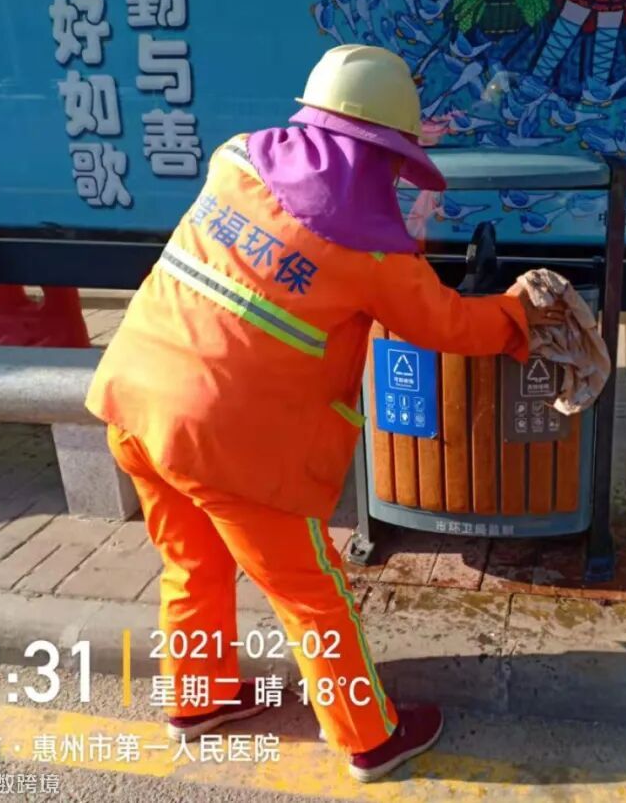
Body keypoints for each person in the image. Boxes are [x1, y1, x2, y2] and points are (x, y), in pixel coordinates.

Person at [85, 44, 561, 783]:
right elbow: (446, 325)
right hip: (226, 444)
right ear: (383, 153)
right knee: (313, 593)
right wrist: (521, 314)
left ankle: (196, 698)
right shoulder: (372, 254)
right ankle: (370, 738)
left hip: (134, 400)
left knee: (191, 561)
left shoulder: (235, 160)